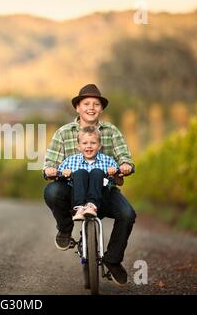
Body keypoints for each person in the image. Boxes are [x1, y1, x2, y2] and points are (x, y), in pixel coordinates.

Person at [43, 83, 136, 285]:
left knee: (128, 214)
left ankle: (112, 260)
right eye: (86, 103)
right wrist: (51, 170)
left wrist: (125, 166)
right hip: (71, 189)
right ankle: (66, 229)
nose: (91, 107)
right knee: (51, 192)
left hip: (103, 188)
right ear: (78, 107)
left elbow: (125, 158)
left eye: (96, 104)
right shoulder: (64, 133)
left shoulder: (111, 132)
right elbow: (50, 163)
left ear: (101, 109)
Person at [57, 126, 119, 222]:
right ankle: (80, 208)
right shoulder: (70, 161)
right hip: (77, 199)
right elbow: (59, 174)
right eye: (84, 143)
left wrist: (114, 171)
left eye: (93, 143)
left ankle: (92, 205)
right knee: (80, 172)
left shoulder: (107, 160)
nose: (89, 146)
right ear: (78, 146)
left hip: (100, 200)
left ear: (99, 146)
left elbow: (118, 172)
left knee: (97, 172)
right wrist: (64, 173)